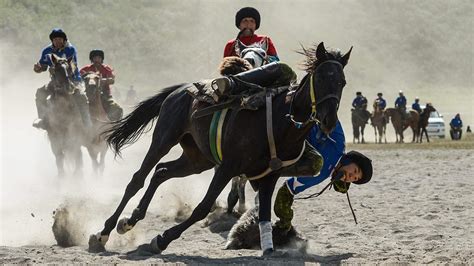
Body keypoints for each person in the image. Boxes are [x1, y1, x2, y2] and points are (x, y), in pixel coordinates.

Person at [273, 120, 373, 233]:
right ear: (350, 160)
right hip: (292, 122)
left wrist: (285, 221)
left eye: (355, 179)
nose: (352, 176)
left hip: (279, 151)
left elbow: (287, 190)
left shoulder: (319, 176)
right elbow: (328, 113)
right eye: (355, 170)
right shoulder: (338, 142)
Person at [33, 28, 92, 129]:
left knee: (81, 96)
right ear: (52, 41)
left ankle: (87, 122)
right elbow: (42, 66)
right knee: (40, 93)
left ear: (64, 40)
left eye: (60, 39)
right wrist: (37, 69)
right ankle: (42, 119)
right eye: (55, 39)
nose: (58, 41)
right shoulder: (46, 51)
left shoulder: (70, 49)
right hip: (56, 81)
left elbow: (73, 66)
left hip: (73, 79)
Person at [80, 49, 123, 121]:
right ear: (92, 59)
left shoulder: (106, 69)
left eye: (99, 58)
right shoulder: (86, 69)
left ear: (102, 59)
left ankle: (113, 125)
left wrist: (101, 81)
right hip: (88, 94)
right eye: (95, 58)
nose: (97, 60)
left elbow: (112, 80)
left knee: (116, 109)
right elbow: (79, 78)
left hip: (105, 94)